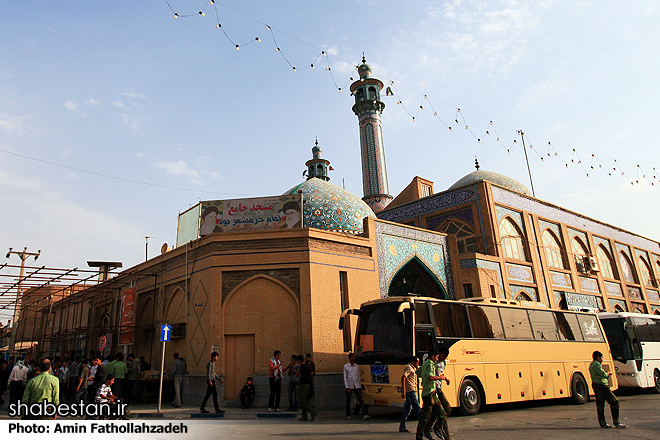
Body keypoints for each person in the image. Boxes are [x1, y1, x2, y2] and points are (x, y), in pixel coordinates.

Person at [415, 348, 449, 440]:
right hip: (429, 394)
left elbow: (418, 373)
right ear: (433, 356)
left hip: (432, 393)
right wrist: (440, 377)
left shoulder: (425, 364)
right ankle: (421, 435)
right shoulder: (429, 364)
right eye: (437, 357)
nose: (437, 359)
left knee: (442, 414)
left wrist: (423, 379)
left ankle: (432, 432)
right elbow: (430, 377)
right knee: (425, 417)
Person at [589, 350, 627, 429]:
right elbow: (603, 375)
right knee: (614, 402)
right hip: (602, 386)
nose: (602, 359)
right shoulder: (596, 364)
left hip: (596, 385)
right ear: (598, 357)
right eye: (602, 357)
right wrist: (608, 373)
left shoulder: (592, 365)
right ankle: (616, 422)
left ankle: (603, 423)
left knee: (600, 404)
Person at [431, 347, 452, 439]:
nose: (444, 358)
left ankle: (434, 427)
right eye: (443, 356)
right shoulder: (433, 363)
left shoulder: (443, 363)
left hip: (439, 388)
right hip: (434, 389)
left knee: (446, 410)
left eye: (446, 357)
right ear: (439, 353)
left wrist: (445, 378)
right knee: (442, 412)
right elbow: (430, 375)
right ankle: (436, 428)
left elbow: (440, 373)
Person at [399, 356, 421, 433]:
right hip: (411, 391)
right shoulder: (409, 368)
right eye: (417, 362)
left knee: (407, 410)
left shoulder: (411, 368)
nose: (418, 364)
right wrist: (403, 390)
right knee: (418, 409)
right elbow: (403, 377)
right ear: (413, 362)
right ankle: (424, 426)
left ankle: (402, 426)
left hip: (410, 391)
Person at [344, 352, 369, 420]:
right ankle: (348, 414)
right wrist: (347, 387)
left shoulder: (356, 366)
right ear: (349, 358)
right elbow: (345, 377)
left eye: (353, 357)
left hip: (356, 384)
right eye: (352, 357)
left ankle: (365, 413)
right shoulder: (346, 366)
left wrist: (360, 385)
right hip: (349, 385)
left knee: (360, 399)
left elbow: (358, 376)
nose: (353, 358)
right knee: (348, 400)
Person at [299, 353, 318, 421]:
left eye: (308, 357)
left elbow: (304, 375)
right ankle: (304, 416)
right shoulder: (305, 365)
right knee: (304, 400)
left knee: (303, 400)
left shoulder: (304, 366)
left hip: (305, 384)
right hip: (307, 383)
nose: (307, 359)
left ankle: (313, 412)